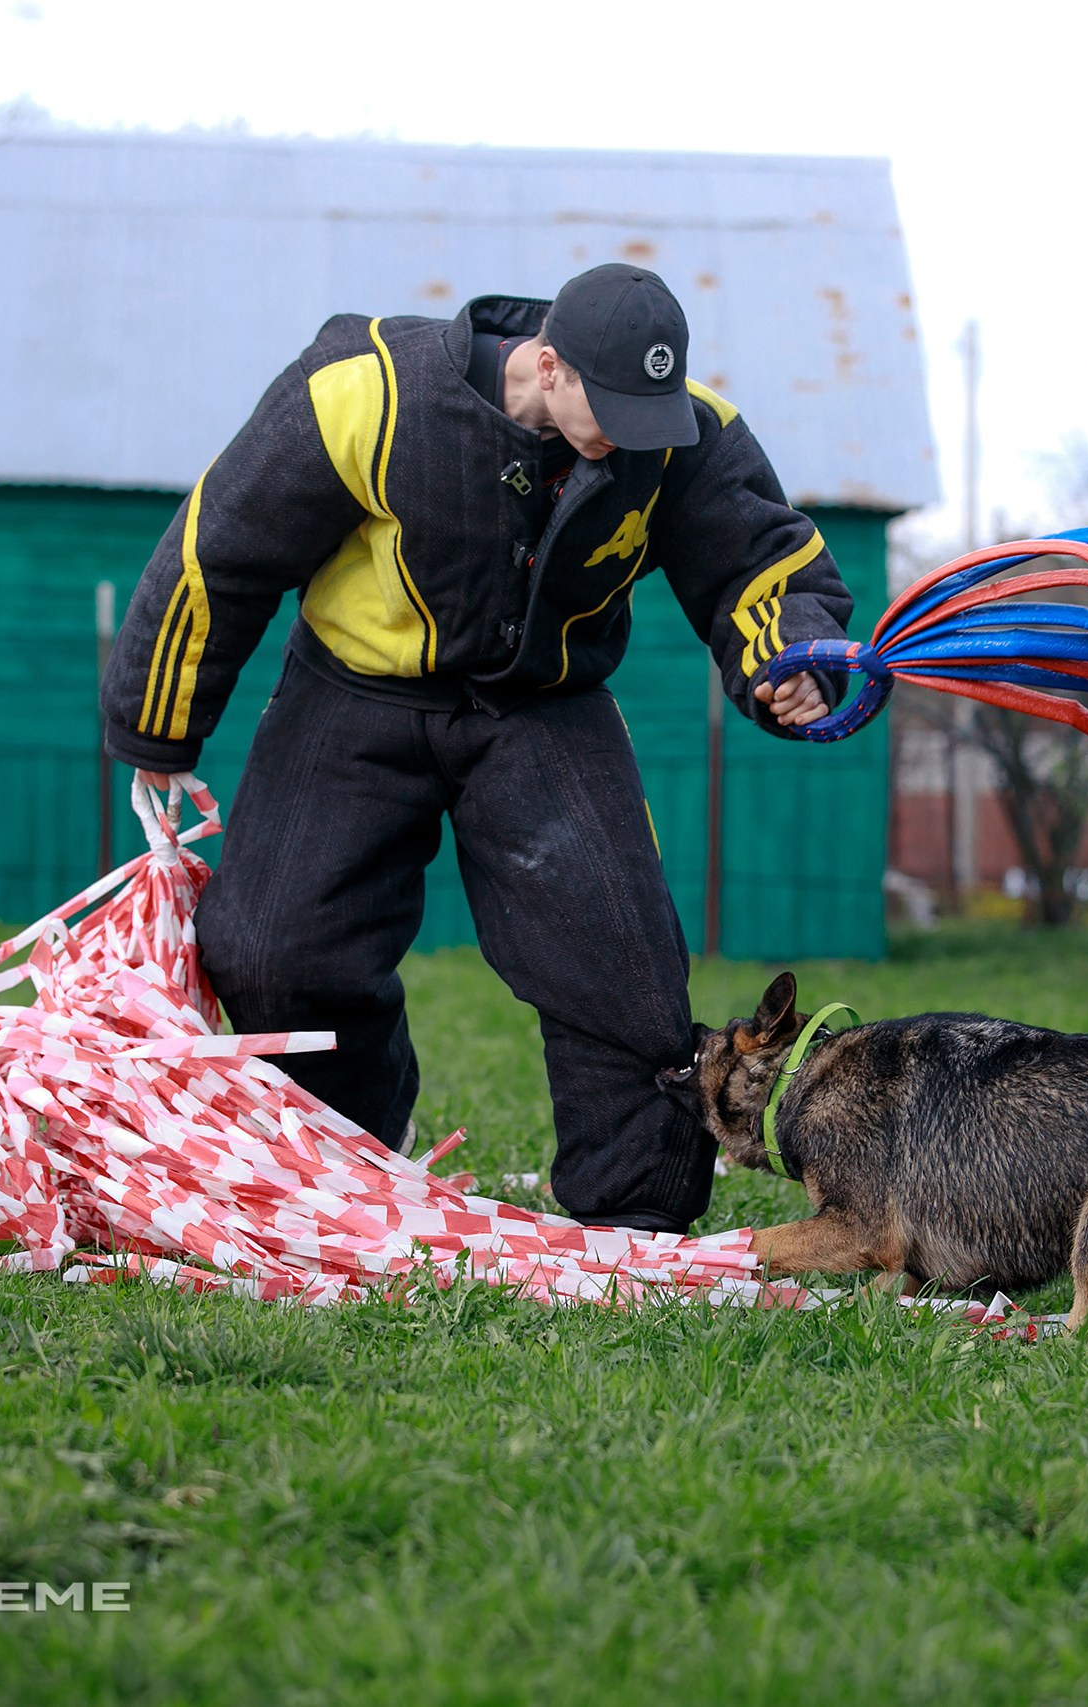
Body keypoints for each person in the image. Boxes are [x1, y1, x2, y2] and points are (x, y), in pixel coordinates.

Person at [100, 263, 853, 1234]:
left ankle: (632, 1221)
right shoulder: (362, 392)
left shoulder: (680, 431)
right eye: (610, 406)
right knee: (271, 950)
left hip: (546, 708)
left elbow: (761, 557)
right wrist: (157, 726)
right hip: (354, 694)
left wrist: (780, 660)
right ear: (548, 363)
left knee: (621, 972)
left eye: (647, 410)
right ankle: (350, 1163)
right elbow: (218, 548)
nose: (629, 432)